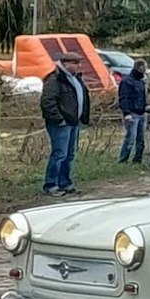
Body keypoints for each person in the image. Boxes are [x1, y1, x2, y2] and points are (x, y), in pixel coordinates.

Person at [40, 52, 92, 196]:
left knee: (69, 155)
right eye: (75, 63)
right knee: (59, 154)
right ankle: (51, 185)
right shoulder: (55, 79)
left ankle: (65, 182)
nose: (78, 66)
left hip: (73, 122)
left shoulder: (75, 79)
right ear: (66, 63)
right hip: (61, 124)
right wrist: (59, 119)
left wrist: (82, 118)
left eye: (79, 63)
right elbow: (48, 102)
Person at [117, 59, 149, 164]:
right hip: (132, 114)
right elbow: (124, 98)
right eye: (145, 67)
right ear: (140, 68)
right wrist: (126, 113)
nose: (146, 70)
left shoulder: (141, 82)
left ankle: (137, 160)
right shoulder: (127, 81)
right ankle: (123, 159)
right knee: (130, 138)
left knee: (141, 139)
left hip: (141, 113)